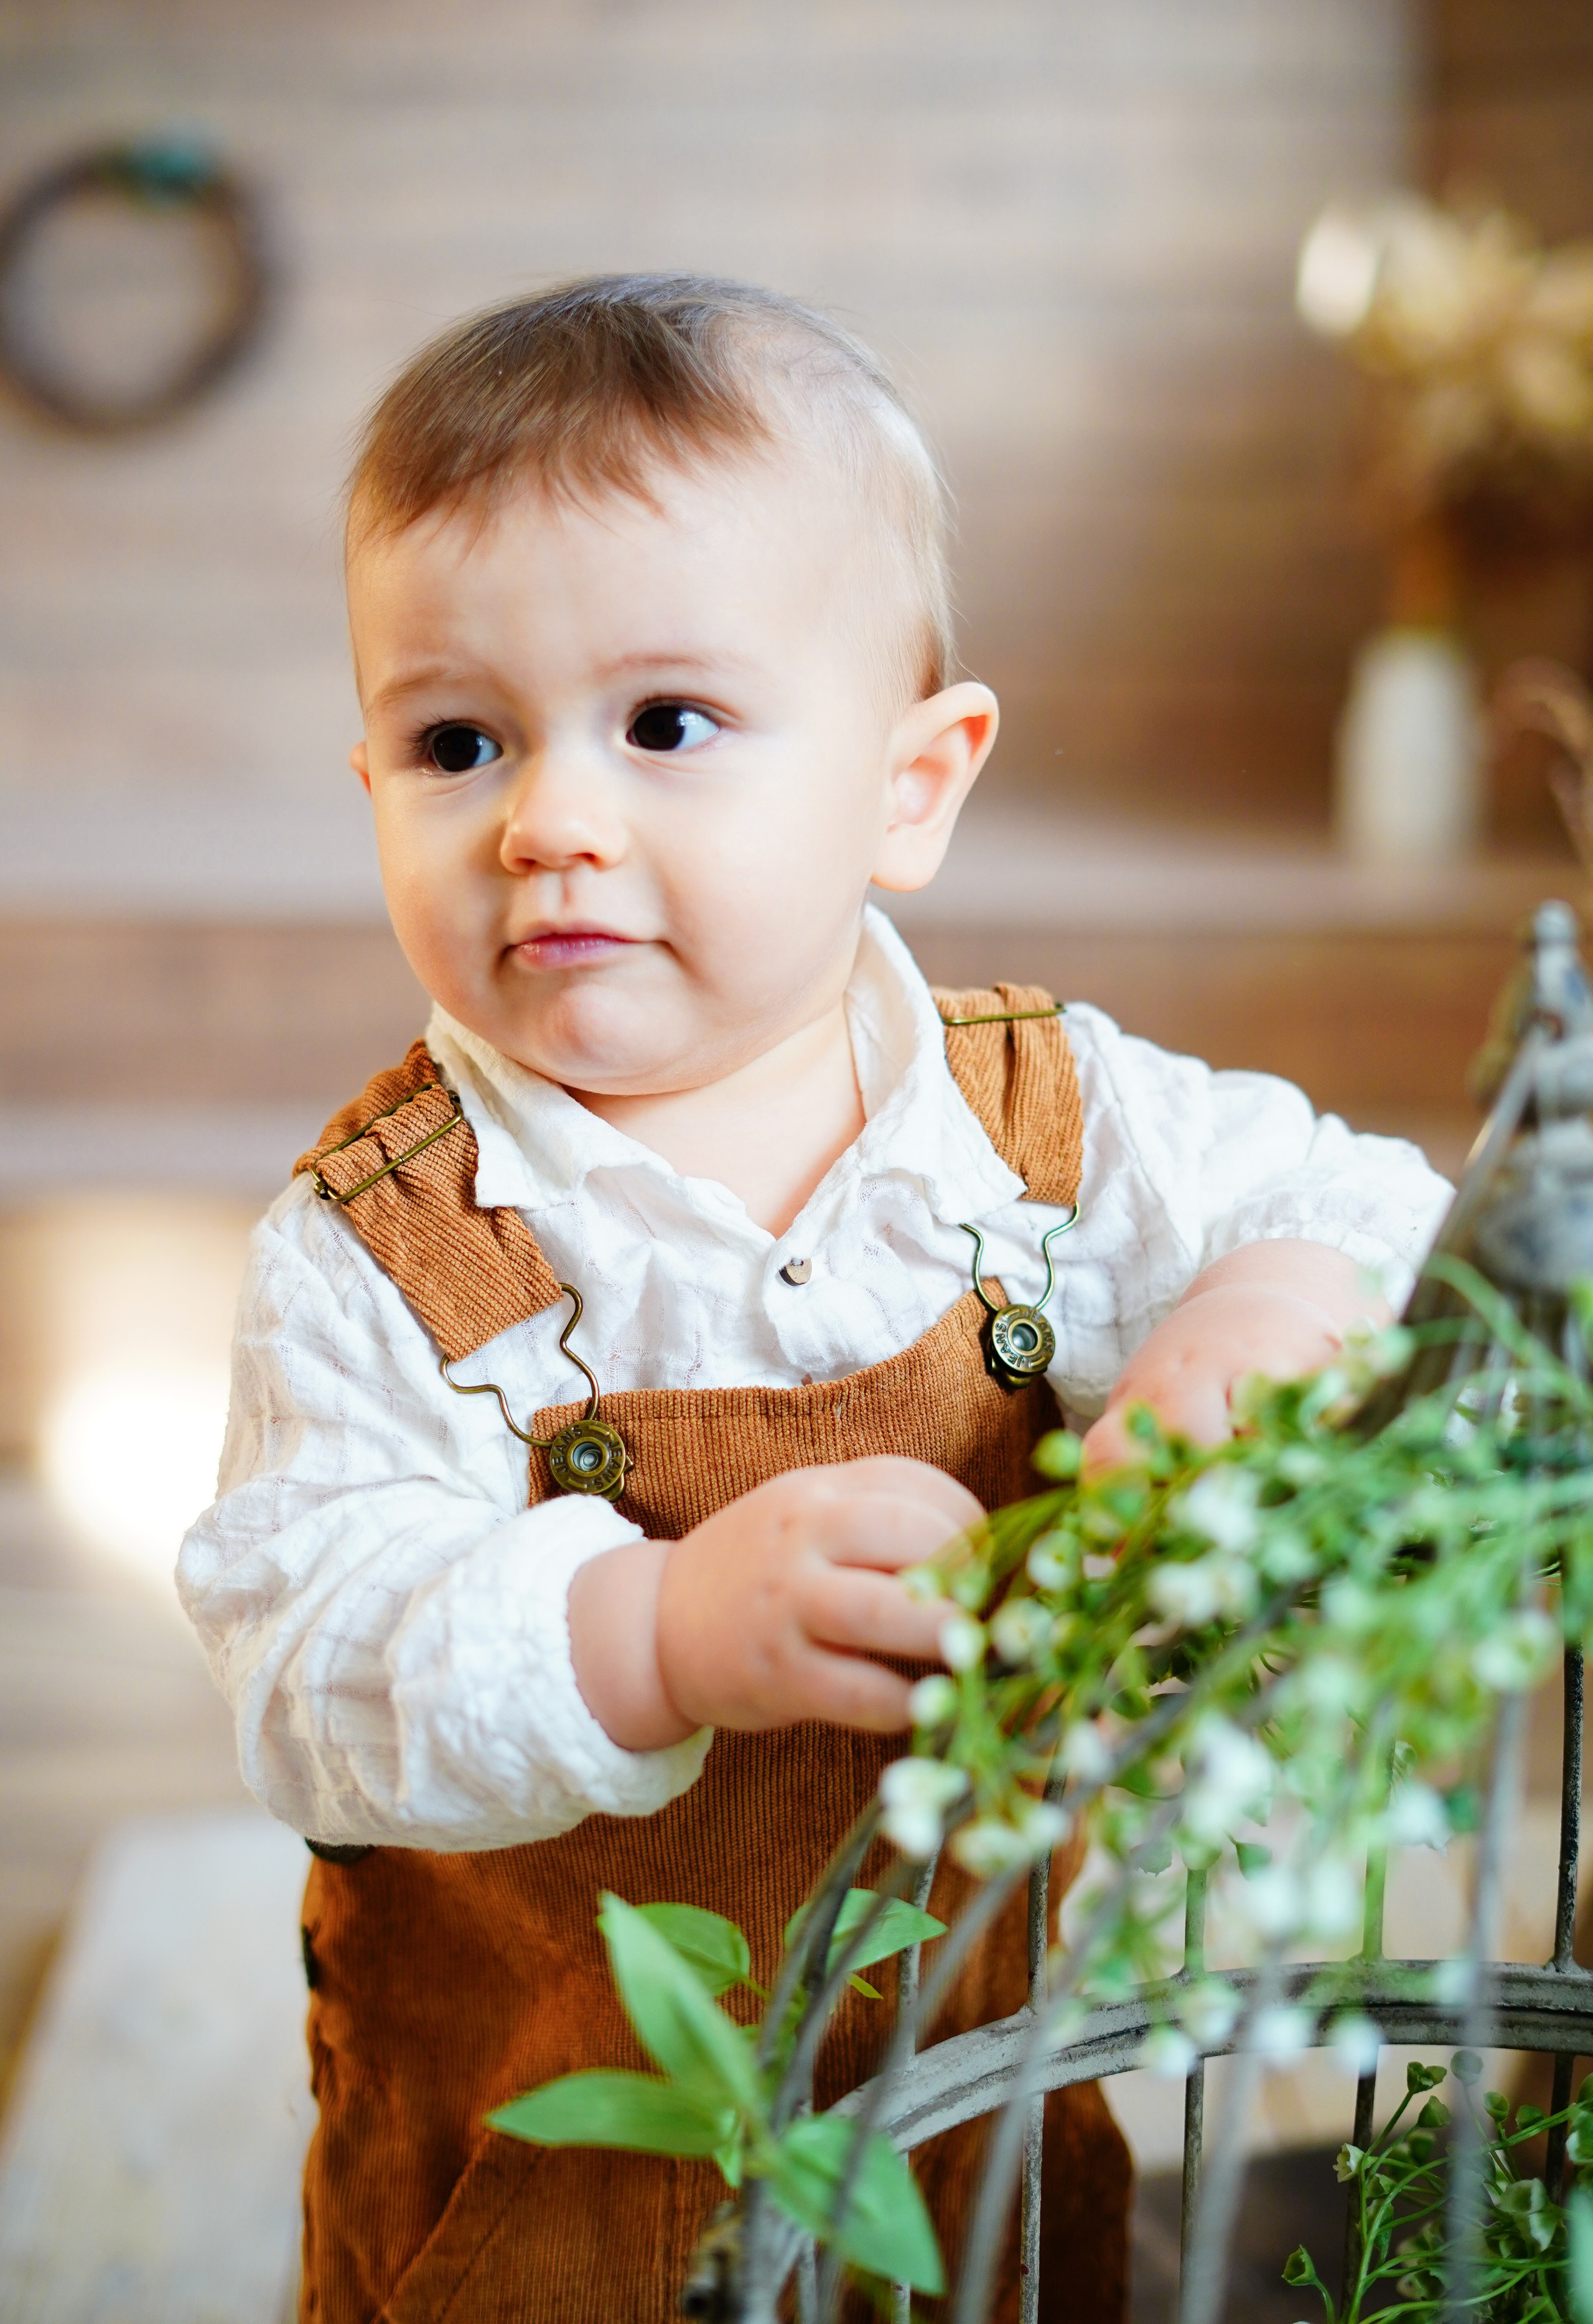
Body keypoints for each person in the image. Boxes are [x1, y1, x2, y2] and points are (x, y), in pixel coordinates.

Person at [178, 273, 1449, 2324]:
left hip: (960, 2116)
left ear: (908, 786)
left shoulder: (1039, 1133)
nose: (548, 821)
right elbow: (308, 1668)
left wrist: (1260, 1325)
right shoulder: (380, 1250)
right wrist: (655, 1630)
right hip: (545, 2165)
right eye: (457, 742)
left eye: (665, 725)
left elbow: (1365, 1201)